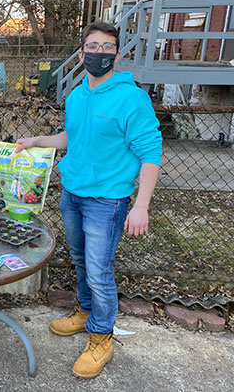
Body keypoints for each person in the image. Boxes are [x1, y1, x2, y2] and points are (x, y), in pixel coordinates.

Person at [16, 22, 162, 378]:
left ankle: (101, 336)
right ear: (82, 55)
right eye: (92, 47)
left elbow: (150, 152)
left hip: (107, 201)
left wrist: (141, 205)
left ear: (116, 54)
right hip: (73, 195)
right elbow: (72, 136)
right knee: (81, 260)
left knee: (99, 271)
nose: (99, 53)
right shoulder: (77, 94)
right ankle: (84, 313)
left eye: (107, 47)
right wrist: (38, 140)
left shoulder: (131, 98)